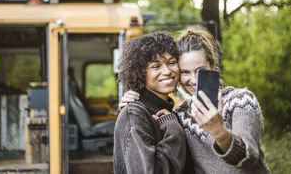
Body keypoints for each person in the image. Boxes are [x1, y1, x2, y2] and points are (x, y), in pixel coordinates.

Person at [120, 27, 270, 174]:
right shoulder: (180, 114)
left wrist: (220, 132)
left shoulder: (240, 101)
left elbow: (249, 158)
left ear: (212, 66)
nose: (193, 80)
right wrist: (135, 98)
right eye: (185, 72)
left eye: (200, 71)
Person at [113, 32, 189, 174]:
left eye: (172, 62)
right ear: (141, 73)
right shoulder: (135, 114)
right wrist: (173, 129)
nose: (167, 71)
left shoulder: (170, 111)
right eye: (156, 66)